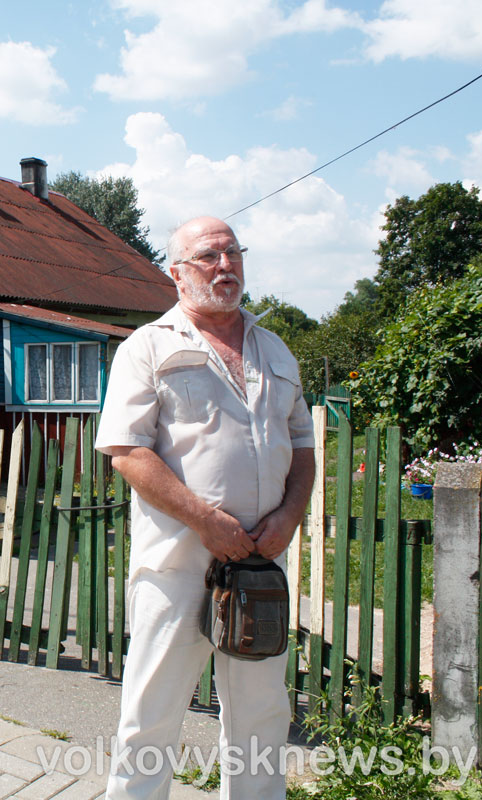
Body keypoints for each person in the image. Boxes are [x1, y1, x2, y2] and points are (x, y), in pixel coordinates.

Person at [95, 216, 315, 799]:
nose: (226, 266)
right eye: (209, 256)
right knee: (152, 717)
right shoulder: (148, 346)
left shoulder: (276, 350)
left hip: (260, 566)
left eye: (234, 254)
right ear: (177, 273)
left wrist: (290, 515)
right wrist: (206, 521)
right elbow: (126, 452)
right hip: (176, 566)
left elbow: (302, 448)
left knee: (262, 716)